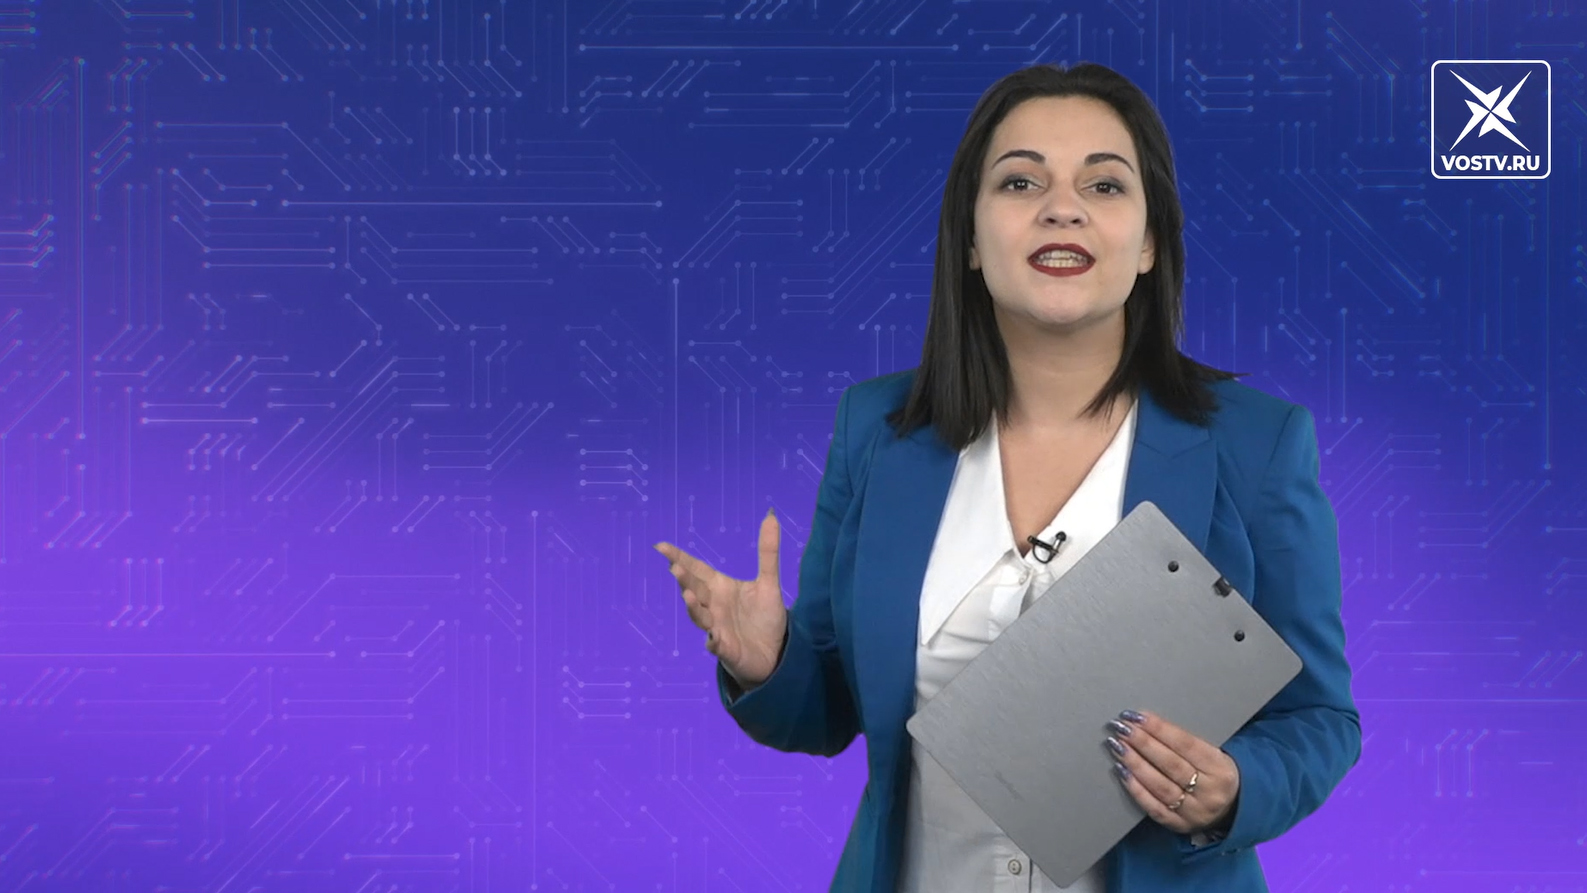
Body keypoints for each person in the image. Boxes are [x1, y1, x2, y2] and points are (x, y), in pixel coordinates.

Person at [653, 61, 1360, 893]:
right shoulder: (877, 433)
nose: (1061, 207)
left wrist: (1234, 788)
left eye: (1103, 185)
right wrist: (767, 662)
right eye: (1020, 181)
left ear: (1147, 244)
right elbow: (826, 710)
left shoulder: (1257, 444)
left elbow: (1319, 718)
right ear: (968, 240)